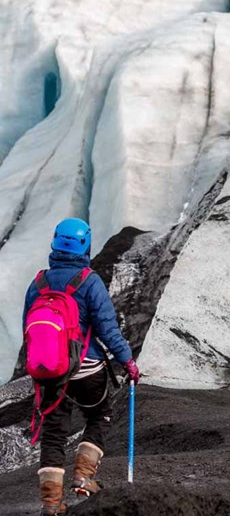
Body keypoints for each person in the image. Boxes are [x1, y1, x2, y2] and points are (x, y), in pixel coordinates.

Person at [23, 218, 140, 516]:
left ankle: (51, 504)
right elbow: (108, 330)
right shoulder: (89, 282)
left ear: (55, 244)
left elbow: (28, 328)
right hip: (88, 370)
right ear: (85, 245)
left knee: (53, 434)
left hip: (51, 373)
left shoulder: (38, 283)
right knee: (100, 415)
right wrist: (128, 361)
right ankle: (84, 476)